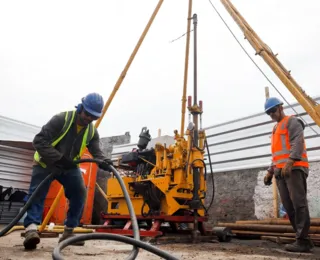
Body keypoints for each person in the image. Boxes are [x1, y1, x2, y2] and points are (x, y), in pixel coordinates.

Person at [23, 92, 112, 250]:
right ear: (80, 107)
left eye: (94, 117)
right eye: (87, 114)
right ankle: (31, 229)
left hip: (69, 167)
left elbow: (96, 151)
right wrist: (58, 158)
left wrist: (104, 161)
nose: (89, 119)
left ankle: (69, 232)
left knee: (79, 192)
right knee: (37, 193)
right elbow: (39, 141)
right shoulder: (61, 119)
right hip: (45, 163)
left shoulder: (91, 131)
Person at [263, 97, 313, 252]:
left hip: (295, 169)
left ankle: (303, 240)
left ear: (280, 107)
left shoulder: (292, 122)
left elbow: (297, 142)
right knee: (289, 206)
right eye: (269, 113)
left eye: (273, 111)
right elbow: (276, 154)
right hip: (280, 172)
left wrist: (290, 162)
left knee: (299, 203)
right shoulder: (275, 128)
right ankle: (301, 238)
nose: (272, 115)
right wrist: (270, 171)